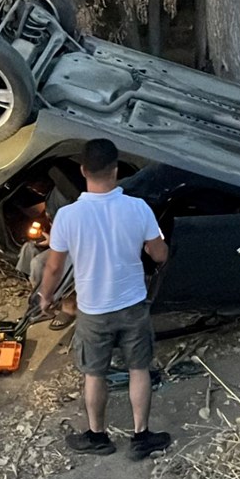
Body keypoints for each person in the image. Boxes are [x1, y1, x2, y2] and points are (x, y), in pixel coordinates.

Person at [38, 139, 171, 460]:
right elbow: (159, 253)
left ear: (83, 170)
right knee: (139, 368)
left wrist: (46, 295)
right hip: (133, 305)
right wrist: (156, 251)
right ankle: (141, 437)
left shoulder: (68, 216)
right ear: (115, 170)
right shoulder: (138, 208)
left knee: (94, 373)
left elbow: (55, 266)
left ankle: (98, 436)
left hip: (93, 310)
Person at [15, 184, 78, 329]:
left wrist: (52, 240)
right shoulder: (50, 195)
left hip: (74, 247)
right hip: (59, 240)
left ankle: (69, 306)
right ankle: (42, 301)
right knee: (28, 249)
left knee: (38, 263)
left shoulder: (67, 197)